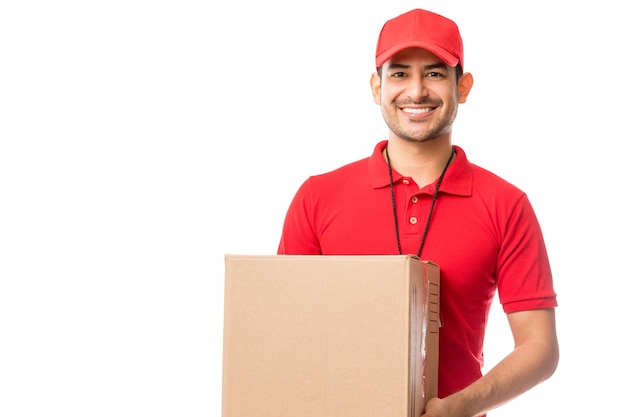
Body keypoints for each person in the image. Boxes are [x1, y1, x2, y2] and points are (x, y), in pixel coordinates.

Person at [277, 7, 559, 417]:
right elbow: (283, 327)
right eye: (399, 73)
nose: (416, 91)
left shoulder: (506, 204)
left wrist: (461, 406)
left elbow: (540, 346)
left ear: (463, 87)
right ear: (376, 87)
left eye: (434, 73)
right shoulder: (317, 196)